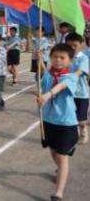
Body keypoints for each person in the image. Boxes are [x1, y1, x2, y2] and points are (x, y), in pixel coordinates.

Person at [36, 43, 79, 201]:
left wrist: (48, 95)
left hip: (66, 124)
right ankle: (61, 168)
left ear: (70, 60)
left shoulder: (71, 77)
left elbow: (60, 86)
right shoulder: (48, 74)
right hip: (48, 121)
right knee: (53, 152)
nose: (58, 60)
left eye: (62, 57)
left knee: (61, 157)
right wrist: (39, 60)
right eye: (55, 57)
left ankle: (58, 193)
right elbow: (44, 78)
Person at [65, 33, 89, 144]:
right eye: (69, 45)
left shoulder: (84, 58)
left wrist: (68, 76)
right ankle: (73, 135)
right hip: (68, 93)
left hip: (81, 94)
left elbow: (80, 72)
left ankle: (83, 131)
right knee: (70, 117)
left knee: (81, 120)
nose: (72, 48)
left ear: (81, 44)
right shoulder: (65, 58)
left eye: (75, 45)